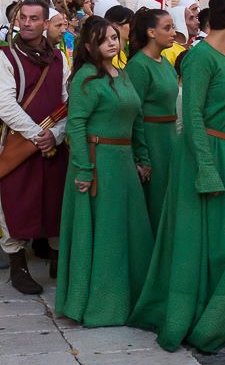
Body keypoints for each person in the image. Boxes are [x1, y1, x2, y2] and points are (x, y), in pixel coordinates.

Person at [130, 0, 225, 353]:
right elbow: (191, 115)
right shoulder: (200, 58)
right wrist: (206, 168)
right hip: (208, 156)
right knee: (212, 241)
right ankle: (203, 316)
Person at [57, 16, 153, 325]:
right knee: (105, 235)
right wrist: (84, 169)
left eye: (115, 37)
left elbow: (137, 117)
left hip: (124, 163)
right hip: (98, 164)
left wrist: (142, 157)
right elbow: (76, 125)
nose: (113, 42)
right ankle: (102, 305)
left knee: (128, 232)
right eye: (104, 39)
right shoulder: (85, 78)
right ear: (88, 46)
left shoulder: (123, 76)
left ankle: (132, 299)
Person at [0, 0, 70, 295]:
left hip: (52, 146)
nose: (26, 23)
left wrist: (56, 135)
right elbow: (3, 105)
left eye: (34, 18)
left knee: (55, 200)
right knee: (15, 201)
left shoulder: (59, 58)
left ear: (45, 23)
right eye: (22, 17)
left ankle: (57, 259)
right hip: (19, 144)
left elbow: (66, 101)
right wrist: (38, 135)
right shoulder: (4, 58)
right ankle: (18, 267)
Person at [125, 7, 179, 234]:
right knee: (155, 203)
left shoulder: (165, 63)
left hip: (169, 137)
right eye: (167, 28)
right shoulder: (138, 66)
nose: (174, 32)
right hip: (151, 138)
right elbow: (134, 113)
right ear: (151, 33)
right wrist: (142, 156)